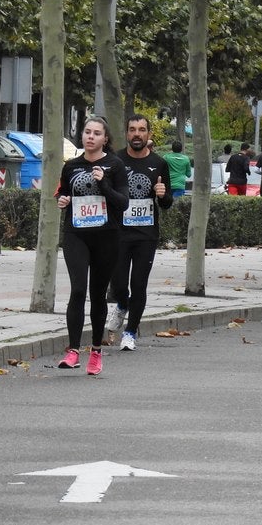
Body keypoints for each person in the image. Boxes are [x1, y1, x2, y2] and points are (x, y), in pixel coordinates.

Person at [55, 116, 129, 376]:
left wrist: (103, 184)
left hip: (106, 236)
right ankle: (73, 350)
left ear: (105, 139)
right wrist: (63, 200)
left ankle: (96, 351)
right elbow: (64, 192)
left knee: (97, 295)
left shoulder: (115, 165)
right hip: (77, 234)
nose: (90, 137)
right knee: (77, 290)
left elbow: (123, 203)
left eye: (97, 133)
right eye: (87, 132)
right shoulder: (71, 166)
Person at [105, 114, 173, 351]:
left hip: (146, 234)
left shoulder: (159, 163)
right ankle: (123, 305)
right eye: (132, 129)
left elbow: (167, 203)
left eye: (142, 130)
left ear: (149, 135)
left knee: (139, 284)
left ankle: (130, 332)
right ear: (126, 134)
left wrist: (163, 194)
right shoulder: (115, 160)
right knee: (120, 285)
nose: (137, 134)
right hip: (119, 232)